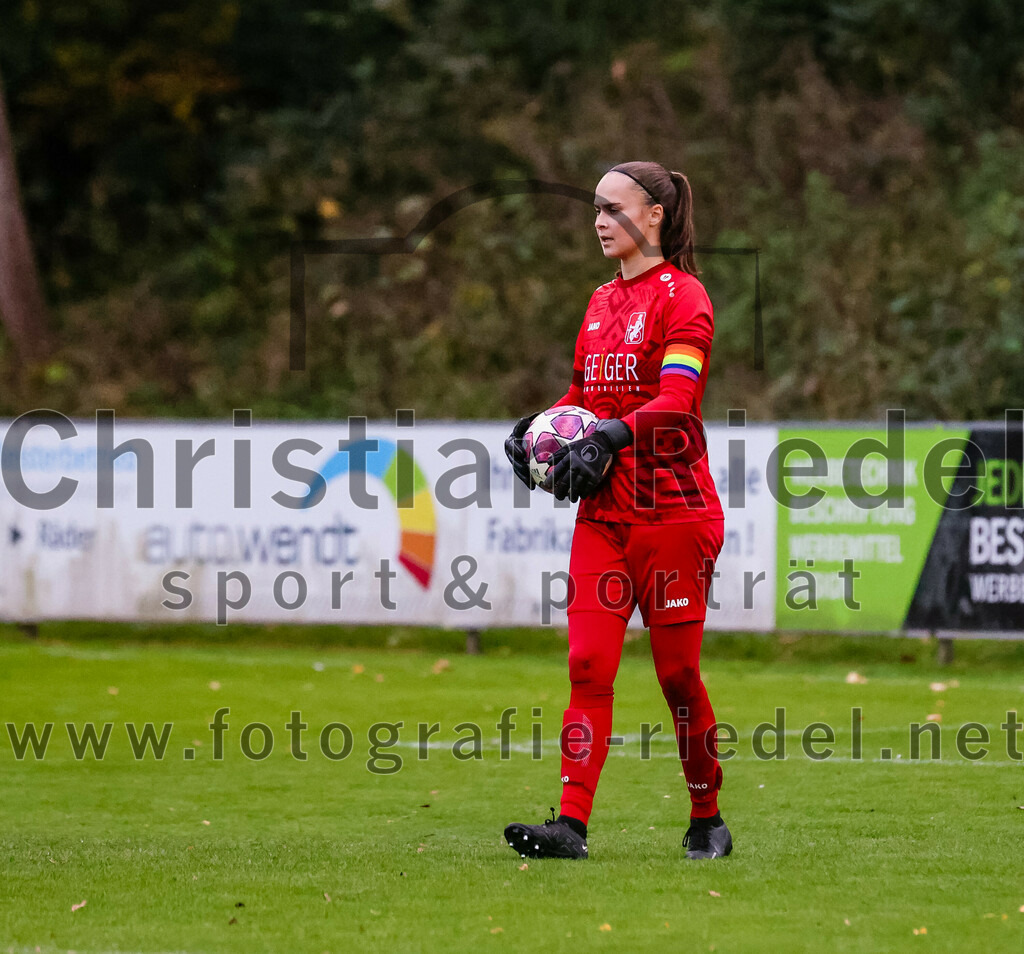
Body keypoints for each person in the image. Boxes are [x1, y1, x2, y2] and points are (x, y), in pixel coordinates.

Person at [502, 160, 730, 861]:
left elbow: (676, 403)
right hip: (604, 518)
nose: (599, 220)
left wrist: (608, 433)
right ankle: (570, 825)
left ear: (653, 215)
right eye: (594, 209)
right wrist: (537, 430)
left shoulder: (684, 297)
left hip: (675, 516)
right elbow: (578, 395)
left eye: (612, 207)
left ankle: (706, 816)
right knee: (586, 666)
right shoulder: (599, 302)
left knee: (676, 678)